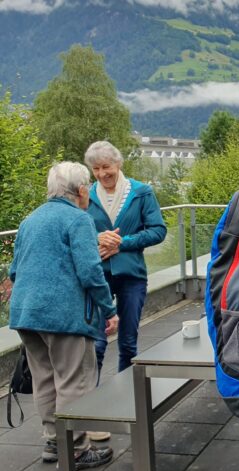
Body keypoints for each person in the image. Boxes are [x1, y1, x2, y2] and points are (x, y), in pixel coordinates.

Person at [9, 162, 118, 470]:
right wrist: (109, 310)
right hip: (64, 316)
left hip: (25, 313)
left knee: (44, 380)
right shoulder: (78, 219)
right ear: (81, 190)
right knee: (73, 381)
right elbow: (90, 271)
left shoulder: (30, 219)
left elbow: (14, 270)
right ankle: (76, 450)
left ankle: (53, 443)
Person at [84, 141, 167, 375]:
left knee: (128, 343)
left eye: (106, 167)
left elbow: (158, 231)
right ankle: (92, 394)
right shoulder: (86, 195)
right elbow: (75, 231)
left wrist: (121, 243)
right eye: (96, 169)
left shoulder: (141, 192)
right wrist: (98, 238)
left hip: (132, 276)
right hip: (98, 276)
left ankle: (128, 392)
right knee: (96, 344)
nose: (102, 174)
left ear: (118, 163)